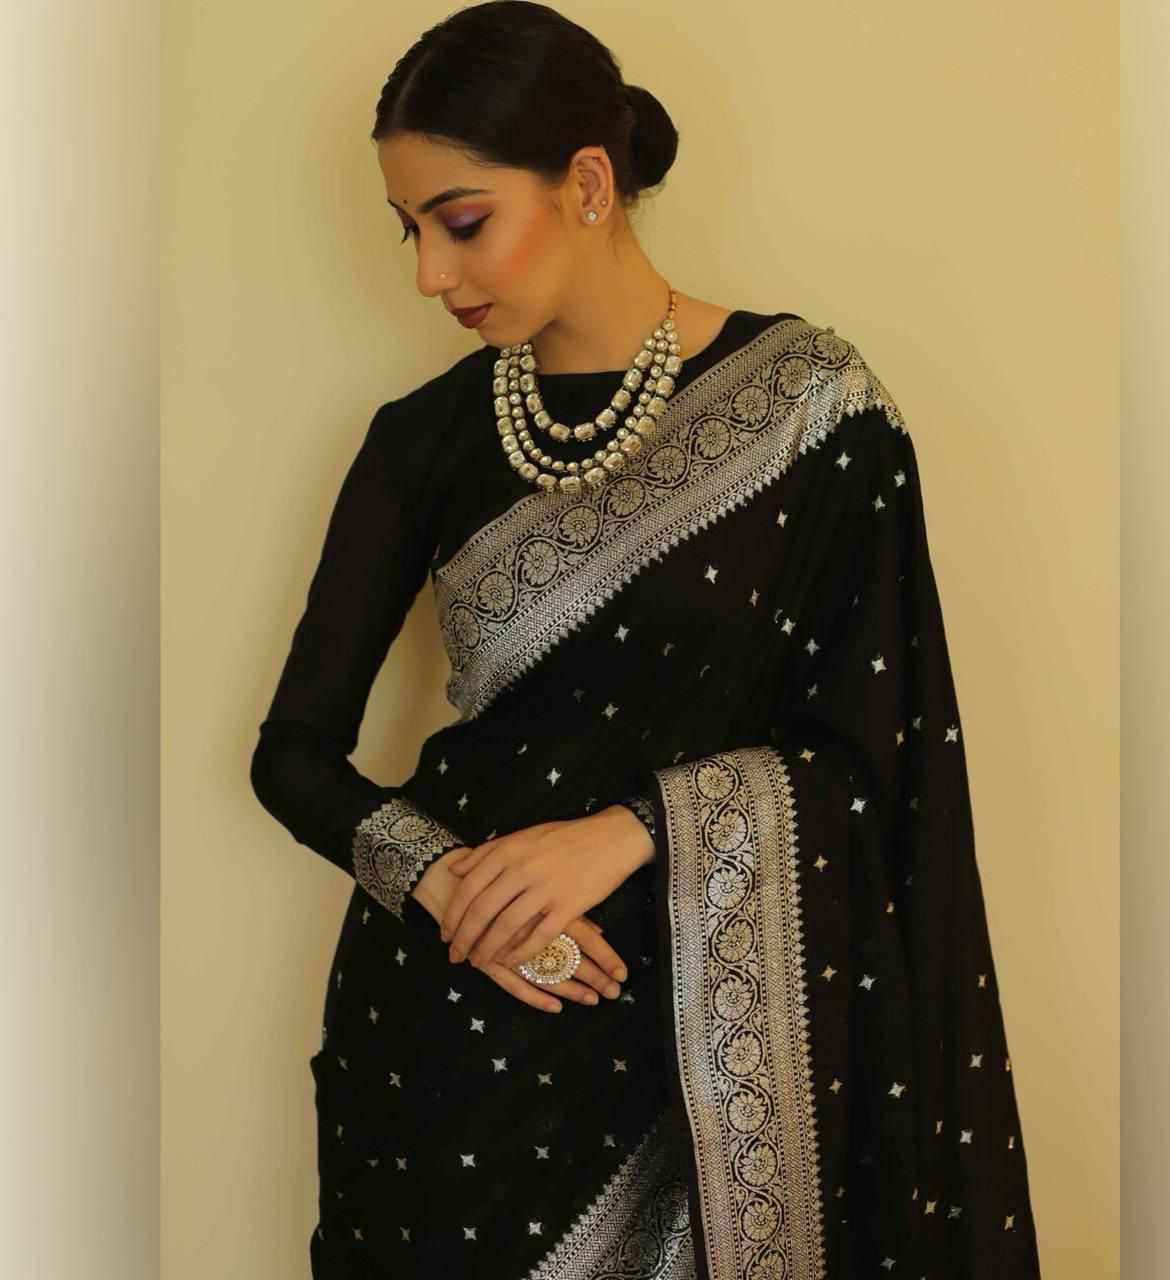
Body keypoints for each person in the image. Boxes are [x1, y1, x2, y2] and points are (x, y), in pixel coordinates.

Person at [249, 3, 1042, 1276]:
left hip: (719, 1042)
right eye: (407, 230)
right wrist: (445, 883)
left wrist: (629, 828)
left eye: (460, 221)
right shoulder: (419, 439)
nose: (429, 275)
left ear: (586, 184)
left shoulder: (811, 412)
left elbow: (877, 758)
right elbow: (292, 753)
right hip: (456, 1043)